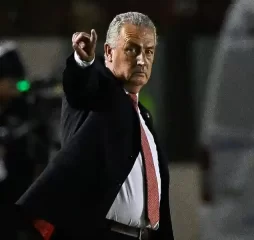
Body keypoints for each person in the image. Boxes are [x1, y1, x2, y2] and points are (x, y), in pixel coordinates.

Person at [16, 12, 174, 240]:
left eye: (148, 51)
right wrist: (84, 63)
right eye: (132, 49)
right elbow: (80, 86)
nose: (141, 59)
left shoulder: (143, 118)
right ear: (109, 52)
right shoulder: (100, 95)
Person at [0, 41, 49, 240]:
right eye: (8, 80)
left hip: (17, 206)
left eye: (16, 80)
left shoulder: (24, 112)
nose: (14, 86)